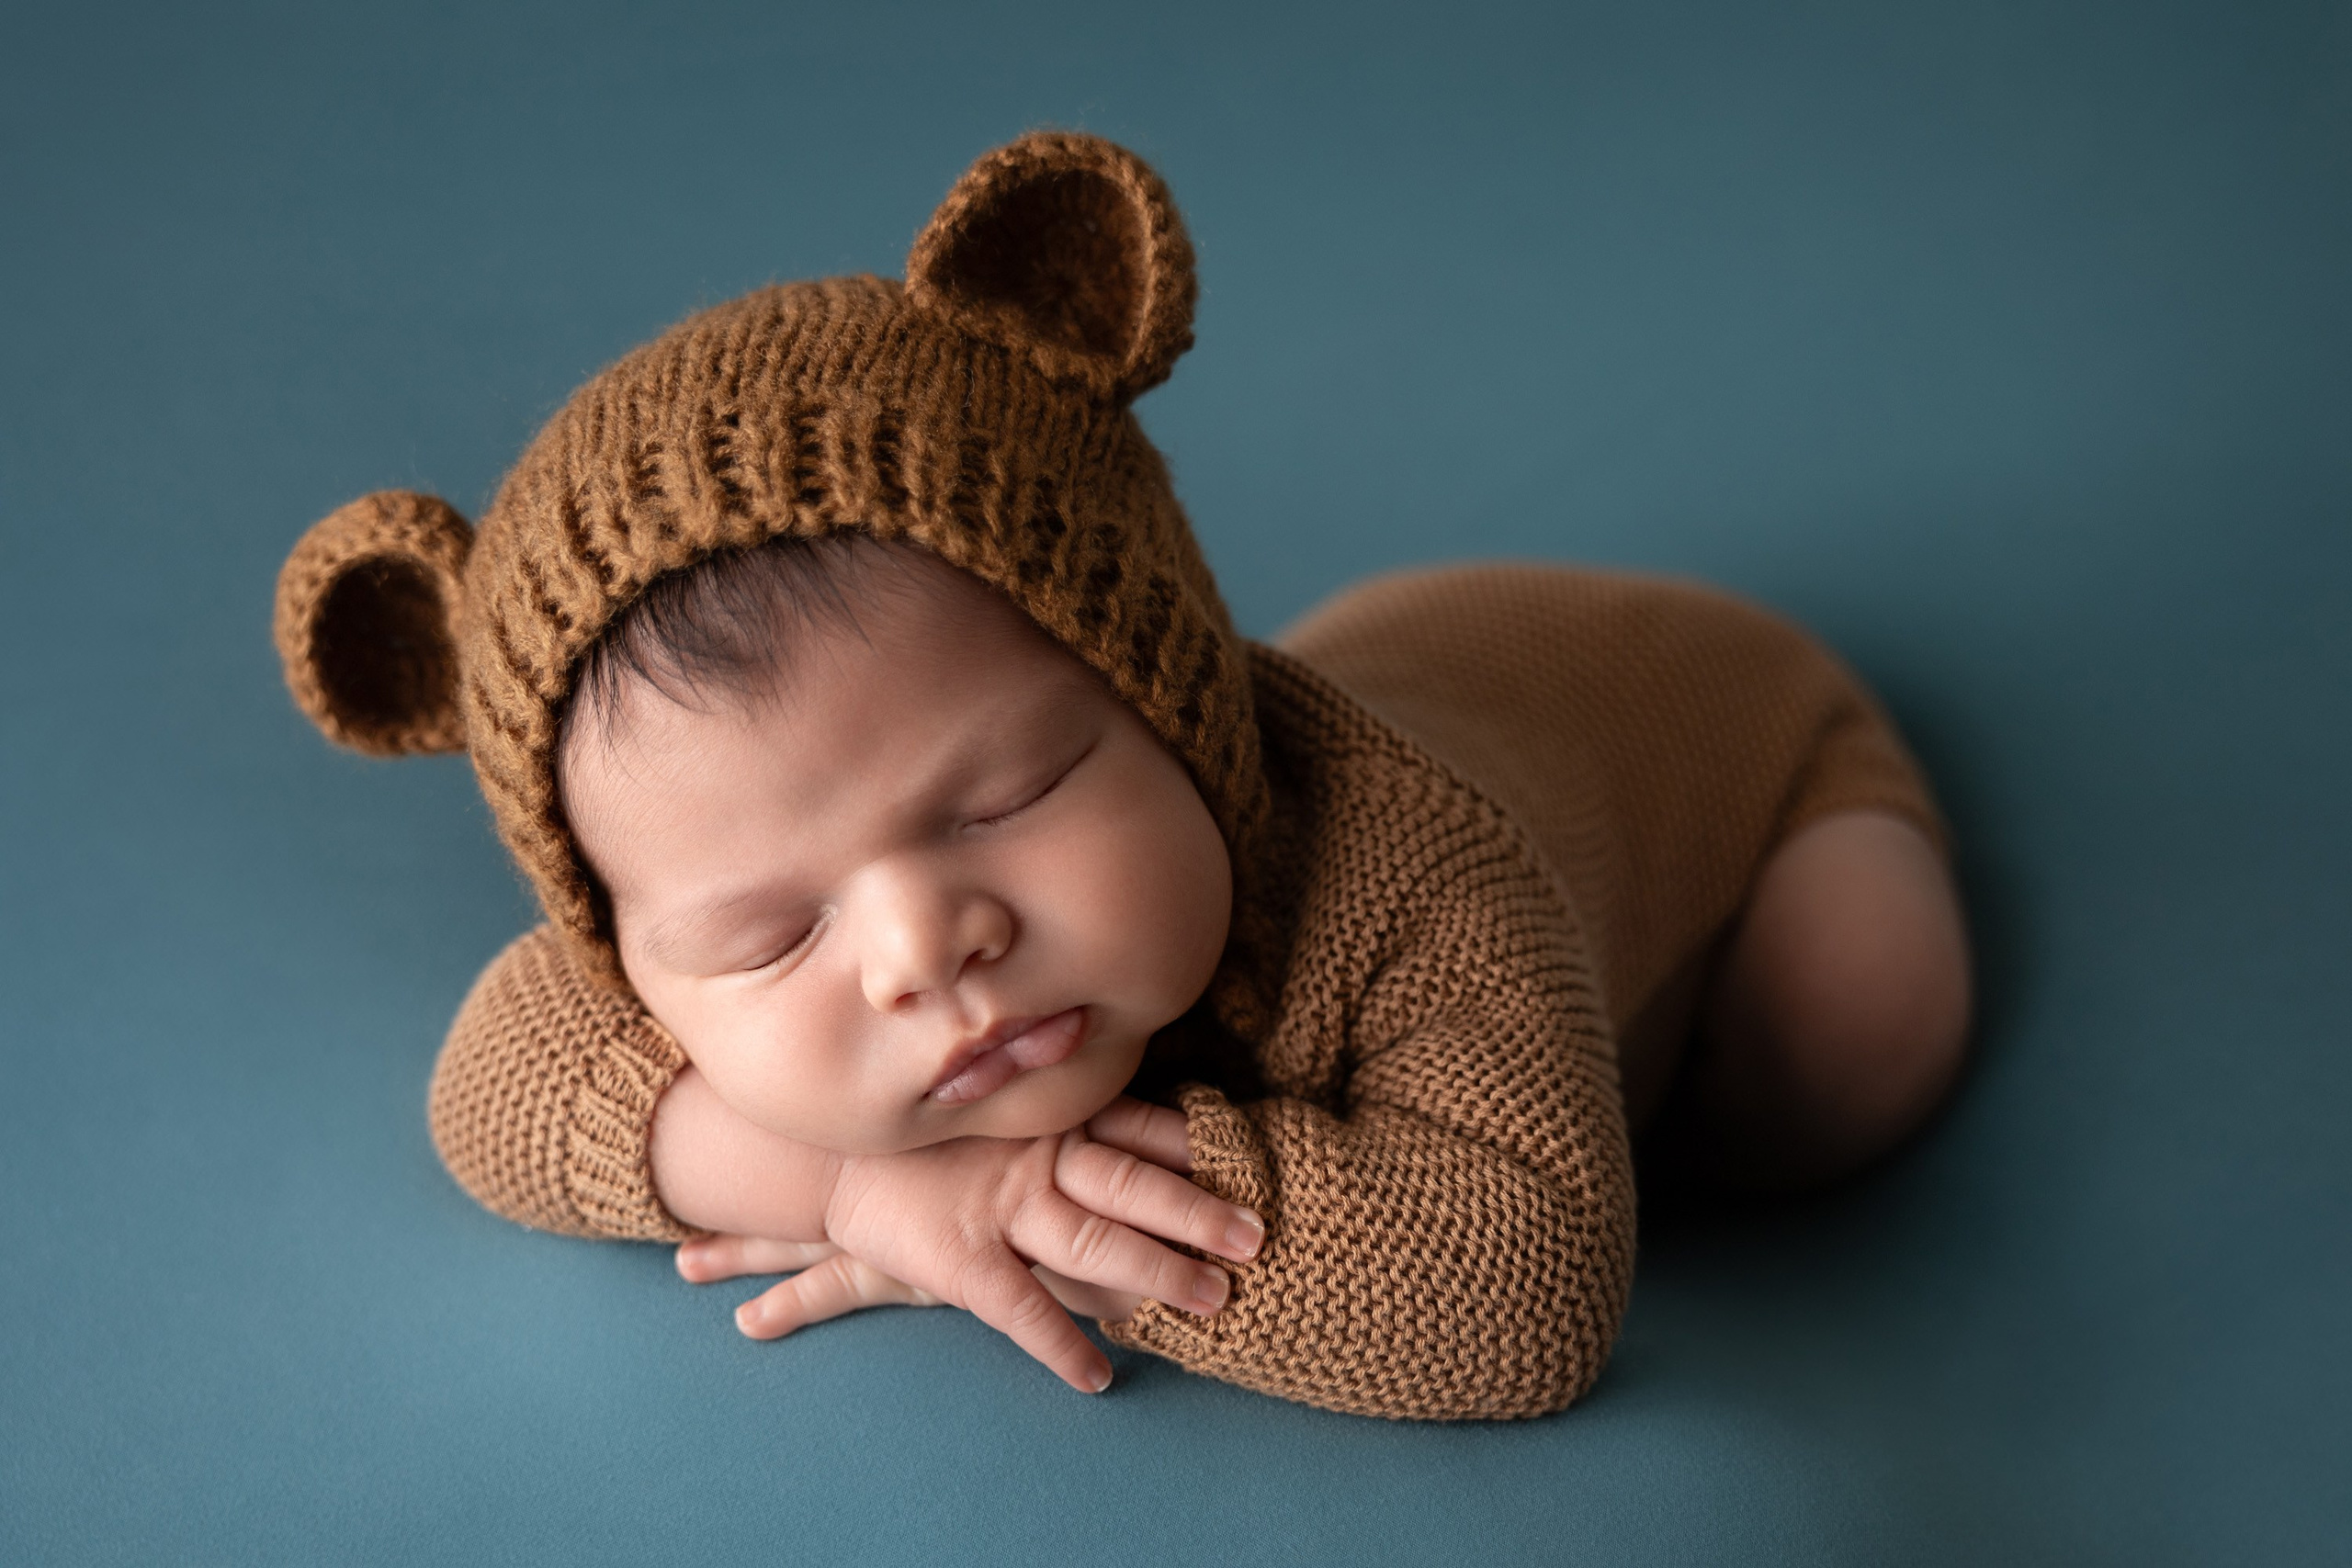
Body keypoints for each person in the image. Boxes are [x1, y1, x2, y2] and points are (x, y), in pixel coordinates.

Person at [271, 131, 1971, 1421]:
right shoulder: (753, 919)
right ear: (635, 951)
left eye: (1001, 799)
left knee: (1855, 1030)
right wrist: (866, 1182)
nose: (923, 952)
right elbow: (490, 1084)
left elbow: (1513, 1289)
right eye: (770, 938)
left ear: (1179, 704)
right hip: (1439, 642)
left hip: (1718, 734)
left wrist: (1036, 1213)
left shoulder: (1410, 873)